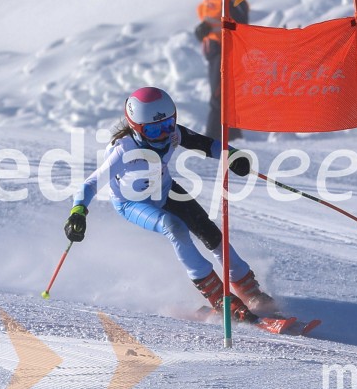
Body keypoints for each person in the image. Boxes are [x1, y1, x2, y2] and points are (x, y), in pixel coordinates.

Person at [63, 86, 276, 322]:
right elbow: (90, 184)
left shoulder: (172, 133)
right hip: (132, 203)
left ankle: (249, 289)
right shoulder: (123, 151)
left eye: (168, 124)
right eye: (154, 130)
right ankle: (218, 297)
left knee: (209, 232)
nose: (164, 133)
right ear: (137, 129)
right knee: (173, 227)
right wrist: (78, 213)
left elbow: (206, 144)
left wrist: (233, 155)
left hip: (164, 189)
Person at [194, 0, 248, 141]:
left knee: (220, 95)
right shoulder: (206, 4)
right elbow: (205, 25)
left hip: (228, 50)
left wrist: (230, 5)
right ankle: (231, 136)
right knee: (220, 94)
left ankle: (213, 138)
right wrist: (201, 31)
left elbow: (242, 22)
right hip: (213, 52)